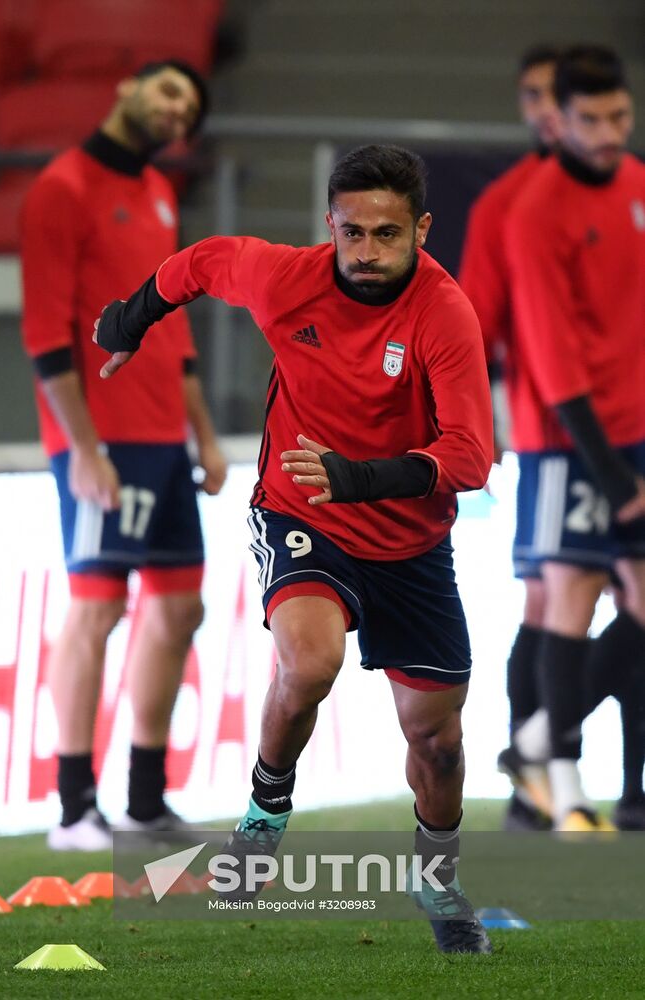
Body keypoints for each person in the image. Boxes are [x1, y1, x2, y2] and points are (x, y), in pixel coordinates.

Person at [94, 144, 494, 954]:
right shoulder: (285, 279)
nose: (369, 252)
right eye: (353, 233)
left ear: (421, 228)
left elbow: (471, 457)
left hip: (410, 540)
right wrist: (132, 316)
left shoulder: (443, 312)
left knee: (438, 743)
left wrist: (360, 475)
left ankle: (437, 877)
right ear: (330, 225)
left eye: (388, 233)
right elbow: (201, 262)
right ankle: (264, 814)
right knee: (308, 663)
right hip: (300, 509)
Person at [20, 61, 227, 851]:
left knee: (179, 610)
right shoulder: (62, 189)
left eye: (193, 106)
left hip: (164, 437)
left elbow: (168, 328)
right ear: (127, 89)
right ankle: (73, 808)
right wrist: (82, 449)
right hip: (101, 441)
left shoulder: (160, 193)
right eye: (171, 92)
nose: (181, 111)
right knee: (98, 609)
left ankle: (145, 801)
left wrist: (202, 431)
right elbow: (43, 333)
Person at [504, 46, 645, 831]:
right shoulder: (535, 211)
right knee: (572, 594)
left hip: (640, 428)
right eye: (589, 119)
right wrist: (616, 478)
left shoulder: (639, 185)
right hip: (570, 441)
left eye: (619, 116)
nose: (607, 132)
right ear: (560, 119)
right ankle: (567, 787)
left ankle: (531, 742)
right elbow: (555, 364)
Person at [459, 44, 562, 832]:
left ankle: (591, 777)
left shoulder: (629, 188)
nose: (545, 109)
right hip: (550, 432)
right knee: (548, 597)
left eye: (556, 94)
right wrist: (483, 428)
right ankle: (534, 779)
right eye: (532, 95)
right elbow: (475, 327)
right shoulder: (508, 204)